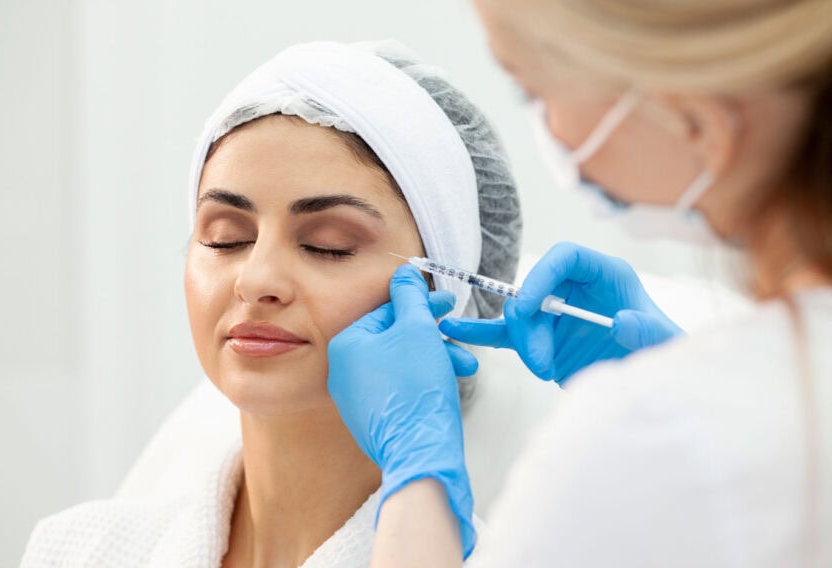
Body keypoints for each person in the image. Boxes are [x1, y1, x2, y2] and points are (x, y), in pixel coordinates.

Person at [326, 1, 832, 566]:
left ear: (696, 121)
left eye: (533, 92)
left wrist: (417, 475)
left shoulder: (641, 430)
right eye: (225, 238)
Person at [19, 40, 521, 567]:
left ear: (445, 290)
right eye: (225, 237)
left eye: (328, 244)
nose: (256, 279)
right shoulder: (77, 551)